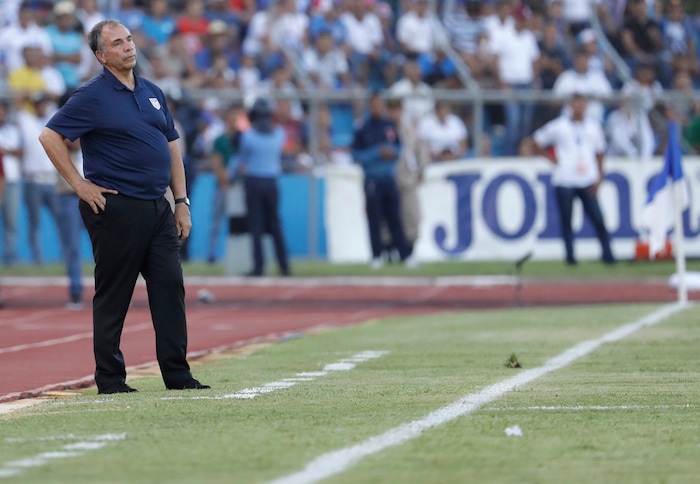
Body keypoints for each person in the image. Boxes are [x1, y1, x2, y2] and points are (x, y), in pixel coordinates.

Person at [38, 19, 209, 394]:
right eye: (117, 43)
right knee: (115, 294)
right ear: (101, 55)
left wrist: (181, 202)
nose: (128, 46)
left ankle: (178, 376)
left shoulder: (151, 91)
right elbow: (49, 135)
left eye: (129, 39)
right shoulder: (92, 95)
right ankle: (111, 380)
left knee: (170, 287)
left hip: (157, 206)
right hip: (116, 207)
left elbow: (171, 148)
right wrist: (79, 184)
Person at [532, 93, 615, 266]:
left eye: (582, 104)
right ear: (571, 106)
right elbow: (536, 141)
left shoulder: (593, 127)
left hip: (587, 179)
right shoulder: (559, 126)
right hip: (565, 179)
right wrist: (552, 159)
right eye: (576, 104)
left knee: (598, 219)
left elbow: (599, 153)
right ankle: (570, 258)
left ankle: (608, 256)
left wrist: (600, 176)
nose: (579, 107)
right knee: (567, 221)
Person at [229, 98, 291, 277]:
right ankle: (284, 266)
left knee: (256, 225)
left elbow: (240, 161)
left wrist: (232, 176)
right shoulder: (279, 134)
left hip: (254, 181)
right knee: (275, 225)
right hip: (272, 182)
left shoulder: (248, 137)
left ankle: (259, 266)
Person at [352, 93, 414, 269]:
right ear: (369, 106)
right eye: (375, 104)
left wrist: (391, 153)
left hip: (389, 178)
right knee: (374, 219)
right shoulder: (363, 128)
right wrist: (377, 153)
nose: (378, 107)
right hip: (372, 179)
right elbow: (356, 155)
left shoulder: (390, 126)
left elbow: (399, 148)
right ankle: (376, 255)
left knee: (396, 218)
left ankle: (404, 255)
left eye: (381, 104)